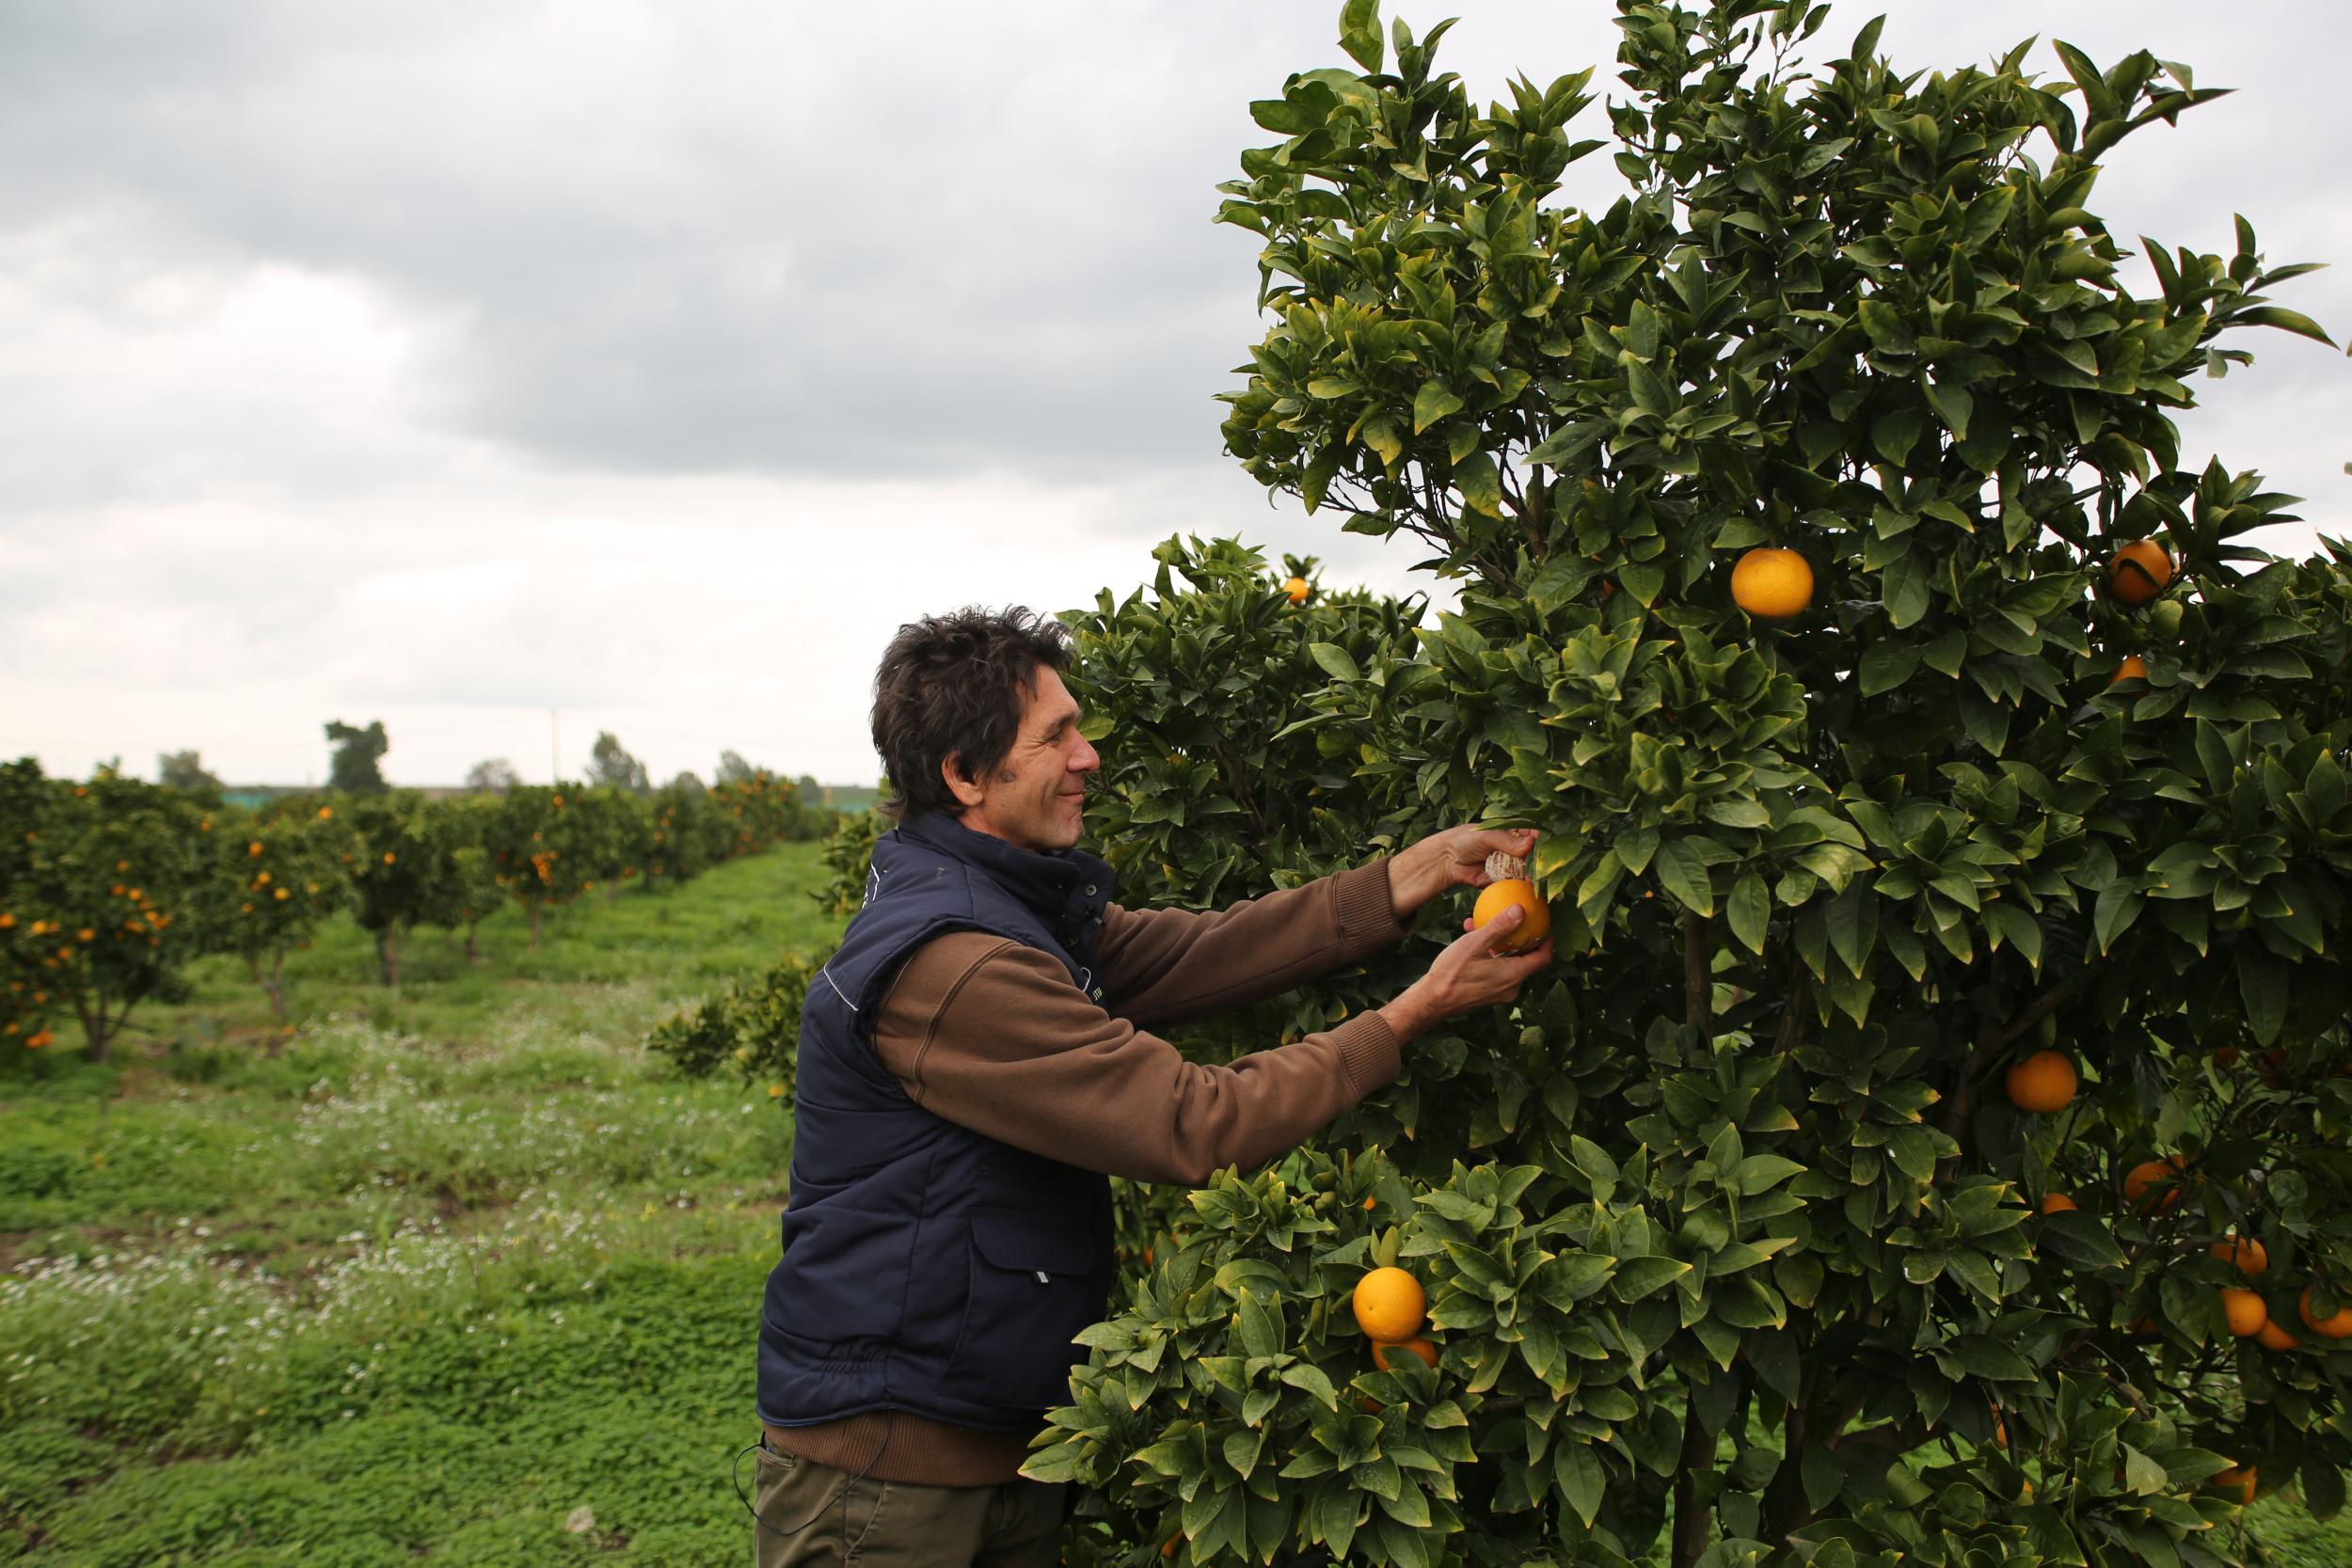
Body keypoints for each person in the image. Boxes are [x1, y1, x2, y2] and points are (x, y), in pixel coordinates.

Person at [748, 606, 1552, 1567]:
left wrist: (1406, 876)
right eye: (1056, 737)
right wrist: (1407, 1016)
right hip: (889, 1476)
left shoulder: (1005, 906)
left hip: (984, 1437)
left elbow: (1204, 950)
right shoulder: (957, 962)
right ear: (965, 774)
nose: (1088, 755)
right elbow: (1192, 1121)